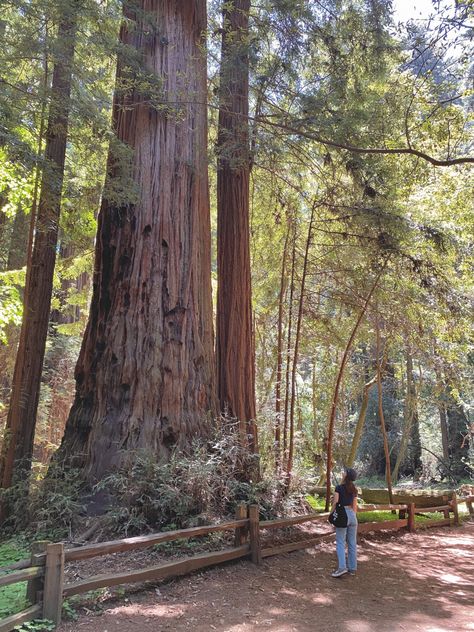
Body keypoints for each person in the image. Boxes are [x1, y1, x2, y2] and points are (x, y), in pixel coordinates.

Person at [331, 468, 358, 578]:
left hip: (343, 515)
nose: (342, 472)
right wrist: (353, 517)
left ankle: (342, 568)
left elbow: (335, 502)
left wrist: (331, 514)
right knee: (352, 543)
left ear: (346, 475)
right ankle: (352, 568)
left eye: (344, 471)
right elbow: (355, 506)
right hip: (352, 515)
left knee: (341, 542)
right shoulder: (354, 489)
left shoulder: (339, 488)